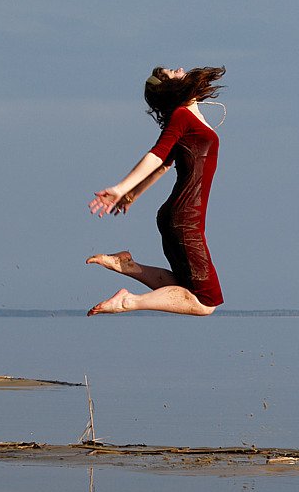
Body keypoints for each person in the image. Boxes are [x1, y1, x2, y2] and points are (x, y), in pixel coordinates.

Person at [86, 65, 226, 317]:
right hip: (185, 220)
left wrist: (132, 195)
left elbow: (163, 166)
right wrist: (121, 188)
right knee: (206, 303)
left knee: (185, 289)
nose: (180, 69)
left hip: (181, 218)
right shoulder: (182, 116)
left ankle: (127, 265)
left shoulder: (189, 117)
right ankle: (128, 302)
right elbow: (156, 155)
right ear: (172, 87)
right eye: (173, 71)